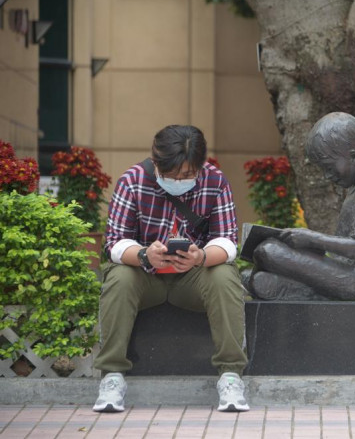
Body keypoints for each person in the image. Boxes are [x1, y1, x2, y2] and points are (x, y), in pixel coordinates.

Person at [93, 125, 249, 413]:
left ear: (200, 167)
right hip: (145, 276)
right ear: (156, 163)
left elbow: (227, 241)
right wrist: (143, 254)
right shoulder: (133, 180)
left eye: (188, 175)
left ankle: (231, 376)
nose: (180, 181)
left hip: (192, 278)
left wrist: (200, 257)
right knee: (119, 276)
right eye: (172, 175)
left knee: (225, 274)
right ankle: (112, 377)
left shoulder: (215, 181)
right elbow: (113, 243)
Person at [246, 112, 355, 301]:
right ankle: (309, 294)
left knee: (267, 250)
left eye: (329, 167)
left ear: (353, 157)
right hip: (346, 273)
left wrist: (311, 239)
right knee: (257, 279)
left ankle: (309, 294)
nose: (327, 176)